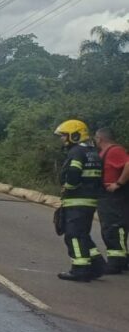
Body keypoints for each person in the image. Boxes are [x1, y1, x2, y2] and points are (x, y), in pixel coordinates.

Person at [54, 119, 106, 282]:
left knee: (73, 235)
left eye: (64, 135)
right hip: (89, 199)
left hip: (77, 200)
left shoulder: (76, 152)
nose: (62, 139)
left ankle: (80, 269)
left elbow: (74, 174)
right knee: (82, 234)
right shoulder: (92, 151)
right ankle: (97, 265)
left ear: (75, 135)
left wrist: (67, 187)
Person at [95, 127, 129, 274]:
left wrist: (118, 183)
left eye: (96, 138)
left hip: (115, 197)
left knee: (115, 228)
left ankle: (117, 263)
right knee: (109, 228)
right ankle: (120, 260)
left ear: (100, 138)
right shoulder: (105, 152)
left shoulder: (115, 151)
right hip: (106, 197)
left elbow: (128, 164)